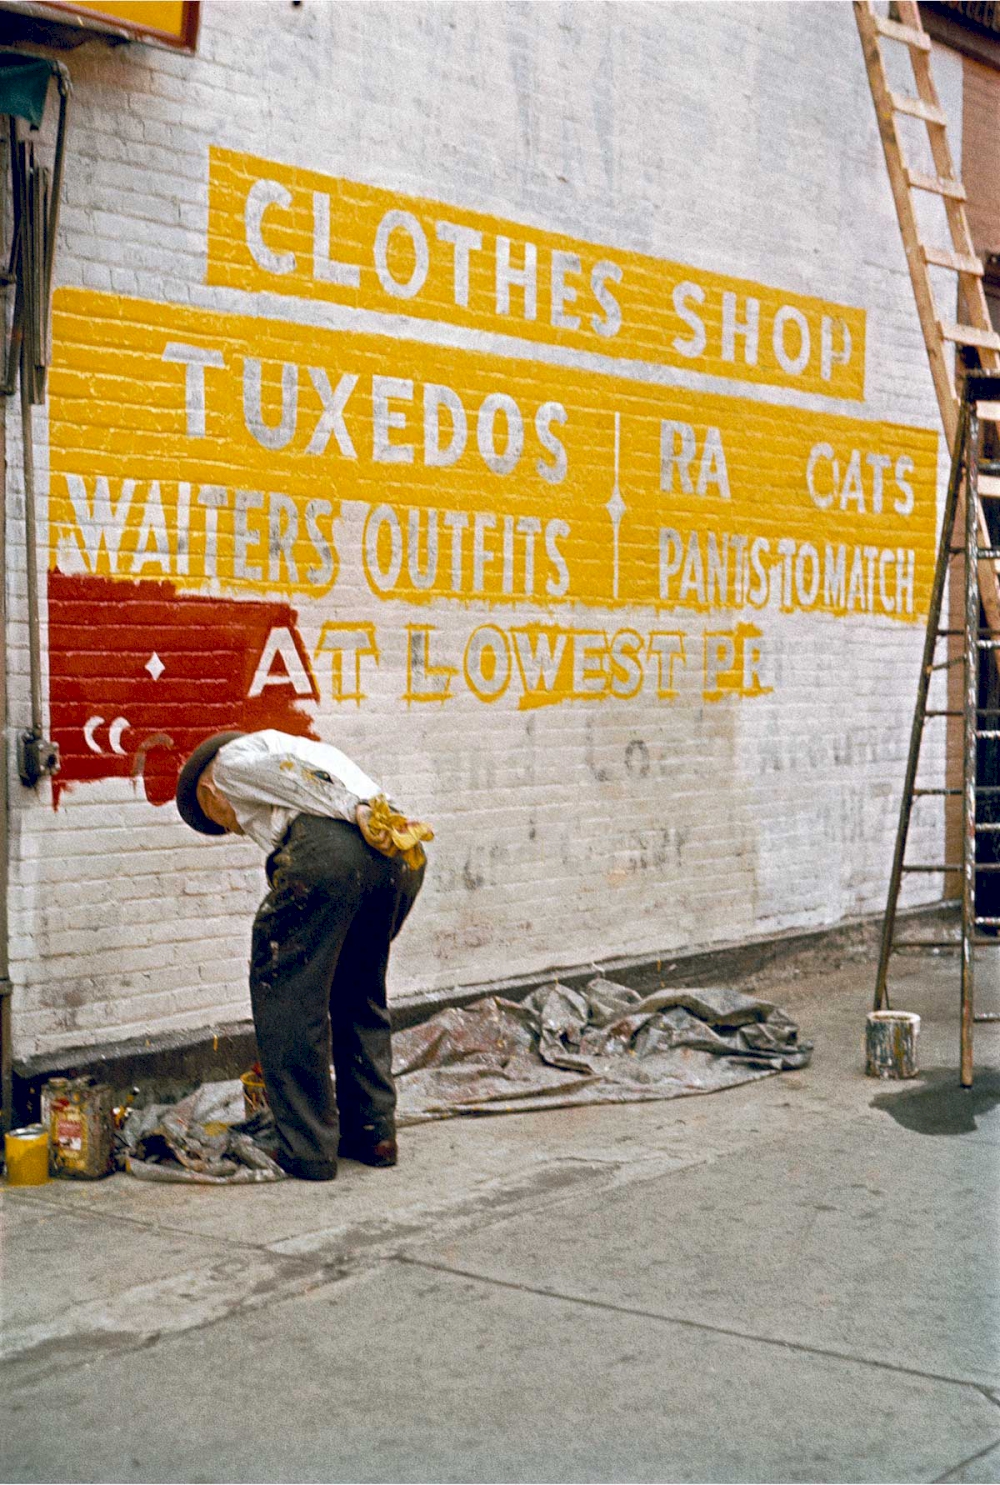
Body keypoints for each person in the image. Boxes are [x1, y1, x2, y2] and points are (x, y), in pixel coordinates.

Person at [175, 729, 432, 1182]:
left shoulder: (231, 763)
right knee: (358, 991)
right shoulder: (303, 745)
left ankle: (306, 1146)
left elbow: (299, 780)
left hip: (335, 850)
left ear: (208, 793)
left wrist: (353, 811)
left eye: (221, 822)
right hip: (397, 858)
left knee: (289, 998)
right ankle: (373, 1132)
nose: (232, 829)